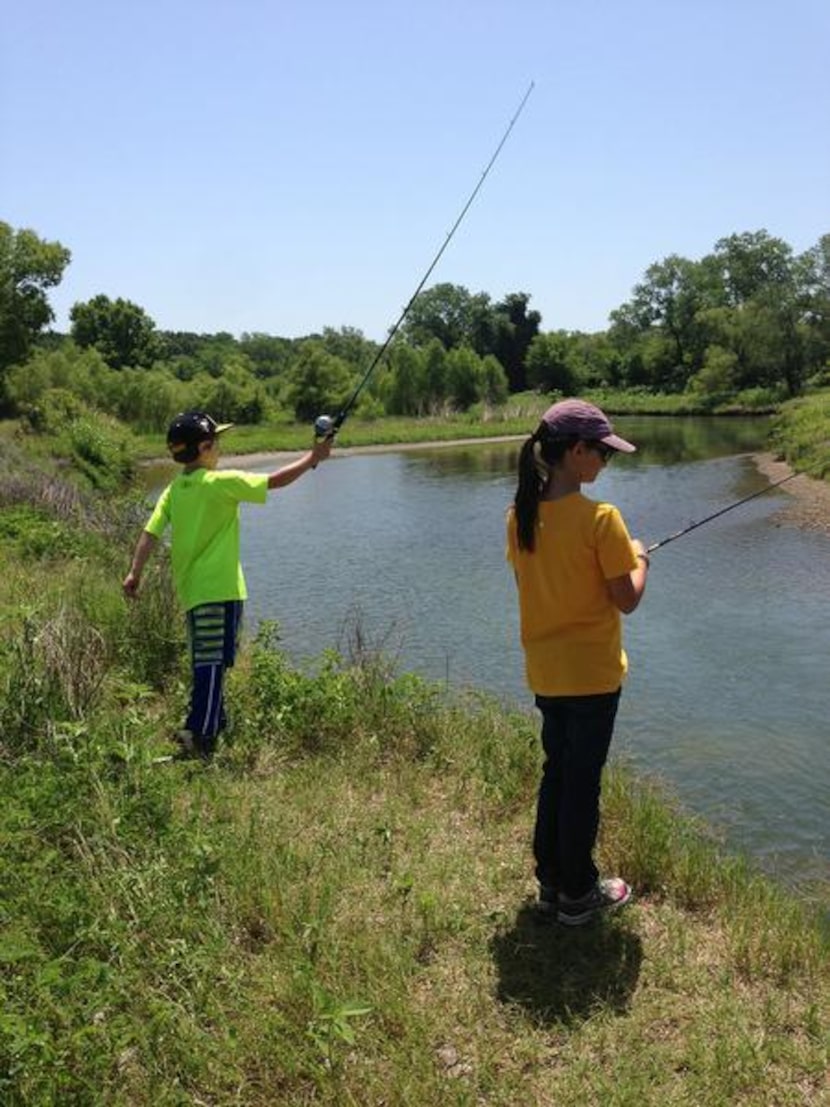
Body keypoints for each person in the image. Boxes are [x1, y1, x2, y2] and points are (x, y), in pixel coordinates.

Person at [505, 398, 649, 926]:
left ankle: (550, 883)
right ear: (578, 452)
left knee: (558, 773)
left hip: (546, 672)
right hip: (592, 676)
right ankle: (579, 893)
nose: (606, 463)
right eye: (603, 454)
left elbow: (532, 587)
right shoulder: (603, 519)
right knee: (581, 781)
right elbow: (627, 597)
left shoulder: (519, 517)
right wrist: (641, 558)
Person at [123, 410, 332, 759]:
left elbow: (150, 533)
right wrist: (314, 457)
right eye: (216, 441)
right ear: (204, 447)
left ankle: (212, 722)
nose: (219, 446)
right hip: (221, 591)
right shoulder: (219, 483)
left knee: (208, 660)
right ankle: (200, 736)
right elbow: (274, 481)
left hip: (192, 593)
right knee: (211, 663)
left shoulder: (174, 490)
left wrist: (134, 573)